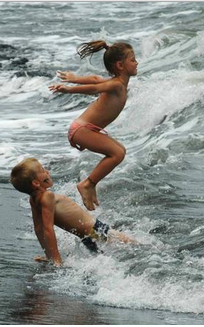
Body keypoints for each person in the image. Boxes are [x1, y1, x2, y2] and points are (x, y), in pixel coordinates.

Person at [49, 40, 138, 211]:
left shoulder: (116, 83)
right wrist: (69, 89)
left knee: (120, 151)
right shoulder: (117, 85)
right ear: (120, 65)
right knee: (117, 153)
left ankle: (90, 185)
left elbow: (95, 79)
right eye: (133, 60)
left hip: (83, 129)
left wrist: (75, 79)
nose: (136, 63)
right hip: (82, 130)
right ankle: (87, 184)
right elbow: (94, 88)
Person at [10, 158, 134, 267]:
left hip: (86, 238)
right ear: (36, 183)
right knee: (135, 246)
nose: (47, 172)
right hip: (97, 230)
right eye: (43, 170)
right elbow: (47, 229)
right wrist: (57, 260)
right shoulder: (47, 196)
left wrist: (49, 256)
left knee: (109, 260)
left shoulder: (34, 199)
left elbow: (38, 229)